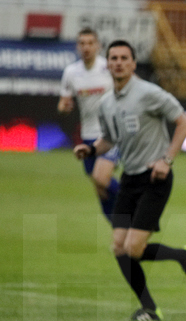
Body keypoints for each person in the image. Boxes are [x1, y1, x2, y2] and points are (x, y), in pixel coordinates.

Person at [74, 40, 186, 321]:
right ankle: (150, 308)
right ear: (107, 64)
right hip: (129, 179)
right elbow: (109, 139)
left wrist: (166, 160)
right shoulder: (106, 103)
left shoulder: (149, 93)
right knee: (119, 248)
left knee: (133, 248)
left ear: (133, 64)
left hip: (155, 179)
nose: (118, 62)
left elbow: (184, 123)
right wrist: (92, 149)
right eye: (114, 58)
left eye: (124, 58)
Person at [58, 28, 121, 222]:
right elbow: (63, 102)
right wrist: (64, 106)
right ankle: (119, 228)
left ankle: (135, 203)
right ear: (77, 47)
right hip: (88, 134)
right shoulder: (71, 72)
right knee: (100, 188)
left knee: (101, 178)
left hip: (111, 133)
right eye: (82, 43)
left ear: (98, 46)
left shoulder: (109, 68)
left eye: (90, 43)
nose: (86, 47)